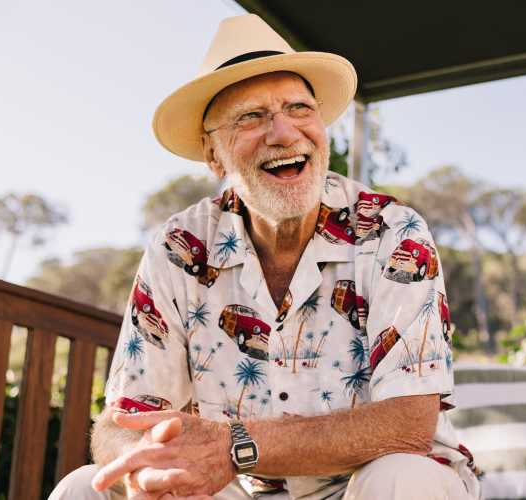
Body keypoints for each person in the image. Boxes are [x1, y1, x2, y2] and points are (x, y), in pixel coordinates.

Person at [49, 13, 480, 500]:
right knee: (83, 489)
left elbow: (408, 426)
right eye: (251, 117)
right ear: (214, 155)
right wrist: (152, 465)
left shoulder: (392, 232)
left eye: (299, 108)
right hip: (239, 491)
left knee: (402, 479)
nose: (283, 133)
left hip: (370, 483)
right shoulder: (177, 248)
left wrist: (232, 446)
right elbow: (121, 423)